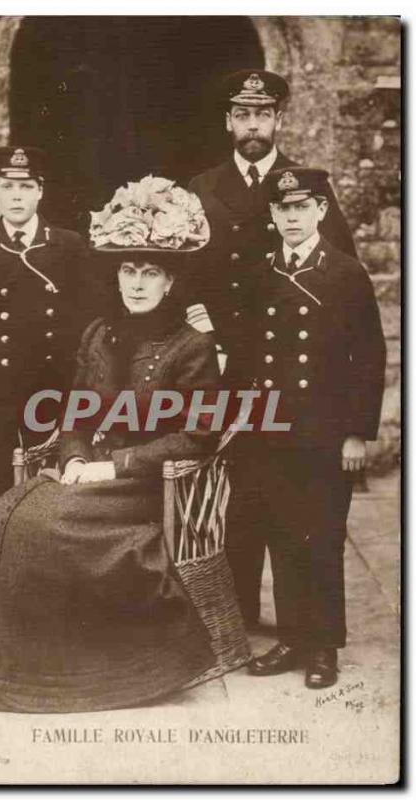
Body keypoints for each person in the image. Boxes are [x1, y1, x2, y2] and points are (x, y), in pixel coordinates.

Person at [0, 177, 226, 713]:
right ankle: (21, 665)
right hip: (88, 473)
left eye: (150, 273)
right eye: (128, 271)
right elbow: (75, 411)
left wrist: (111, 467)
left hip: (147, 486)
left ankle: (91, 669)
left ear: (169, 282)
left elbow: (196, 434)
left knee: (39, 522)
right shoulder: (99, 334)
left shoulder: (192, 346)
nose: (137, 284)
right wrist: (74, 454)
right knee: (4, 512)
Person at [188, 68, 358, 626]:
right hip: (226, 368)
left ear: (279, 119)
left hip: (288, 372)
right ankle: (236, 617)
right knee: (239, 500)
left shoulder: (306, 187)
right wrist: (199, 329)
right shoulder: (201, 188)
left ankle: (307, 627)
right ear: (227, 122)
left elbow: (339, 282)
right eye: (243, 115)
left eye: (263, 114)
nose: (253, 125)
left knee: (297, 506)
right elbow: (183, 270)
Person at [225, 167, 386, 688]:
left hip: (323, 433)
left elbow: (368, 356)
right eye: (283, 209)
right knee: (278, 536)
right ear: (272, 215)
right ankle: (293, 637)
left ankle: (324, 647)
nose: (292, 218)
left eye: (302, 208)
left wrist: (357, 432)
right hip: (266, 433)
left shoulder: (343, 273)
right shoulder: (259, 273)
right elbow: (246, 358)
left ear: (320, 211)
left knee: (321, 538)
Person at [0, 146, 95, 516]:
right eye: (8, 186)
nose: (16, 196)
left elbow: (90, 315)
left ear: (40, 191)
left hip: (50, 389)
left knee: (48, 494)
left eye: (25, 187)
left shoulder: (67, 245)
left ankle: (43, 574)